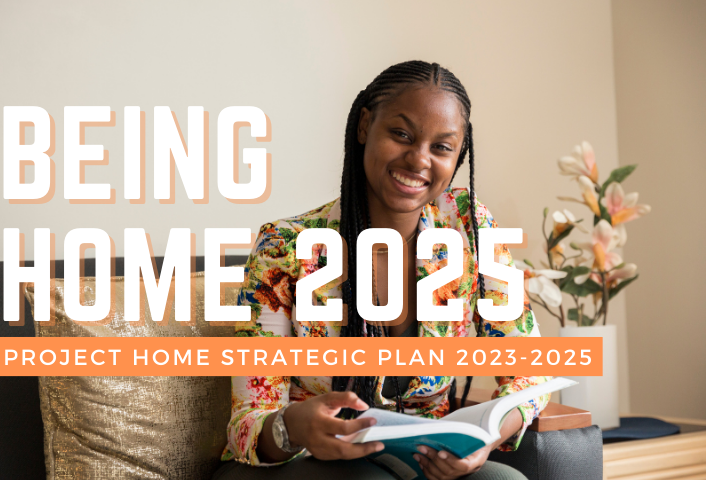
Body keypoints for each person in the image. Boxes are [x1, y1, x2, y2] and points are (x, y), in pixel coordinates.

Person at [214, 60, 550, 480]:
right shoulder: (285, 248)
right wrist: (294, 425)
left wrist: (483, 440)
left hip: (421, 462)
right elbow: (248, 422)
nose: (418, 159)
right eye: (402, 135)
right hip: (302, 466)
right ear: (365, 127)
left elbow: (530, 372)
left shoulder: (468, 227)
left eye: (441, 147)